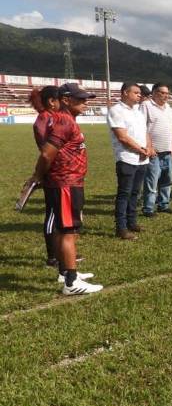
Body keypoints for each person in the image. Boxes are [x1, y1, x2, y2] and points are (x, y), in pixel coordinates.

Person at [25, 83, 102, 295]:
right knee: (68, 231)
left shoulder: (64, 120)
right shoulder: (64, 121)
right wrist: (37, 176)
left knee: (64, 229)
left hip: (68, 182)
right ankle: (71, 281)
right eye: (81, 99)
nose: (86, 102)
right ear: (66, 100)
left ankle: (67, 272)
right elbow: (47, 154)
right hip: (66, 183)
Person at [108, 82, 154, 240]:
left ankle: (132, 222)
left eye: (140, 93)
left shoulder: (138, 111)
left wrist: (148, 147)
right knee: (124, 193)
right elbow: (122, 137)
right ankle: (121, 227)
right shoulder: (116, 111)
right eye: (136, 92)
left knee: (135, 192)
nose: (139, 95)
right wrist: (140, 150)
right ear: (125, 93)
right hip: (127, 158)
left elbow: (145, 132)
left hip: (142, 159)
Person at [30, 85, 63, 267]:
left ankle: (61, 250)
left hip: (60, 171)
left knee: (60, 214)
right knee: (52, 214)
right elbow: (46, 151)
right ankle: (52, 256)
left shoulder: (52, 117)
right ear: (51, 101)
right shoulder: (43, 119)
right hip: (52, 172)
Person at [141, 82, 172, 216]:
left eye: (167, 93)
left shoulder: (167, 107)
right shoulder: (146, 105)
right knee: (152, 181)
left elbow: (170, 127)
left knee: (167, 180)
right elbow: (142, 127)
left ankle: (163, 204)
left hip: (167, 150)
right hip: (154, 151)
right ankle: (148, 208)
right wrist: (149, 146)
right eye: (162, 93)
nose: (165, 96)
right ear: (154, 92)